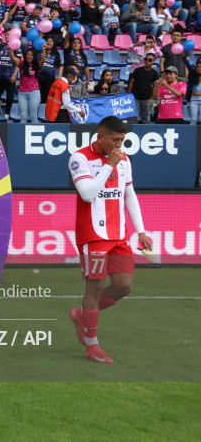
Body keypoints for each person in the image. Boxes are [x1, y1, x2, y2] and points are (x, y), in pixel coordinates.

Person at [68, 116, 152, 364]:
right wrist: (108, 166)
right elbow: (87, 194)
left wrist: (141, 231)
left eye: (123, 140)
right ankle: (92, 346)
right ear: (100, 136)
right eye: (115, 140)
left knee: (124, 286)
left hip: (119, 235)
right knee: (93, 288)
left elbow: (129, 194)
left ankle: (82, 315)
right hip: (93, 235)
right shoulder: (80, 158)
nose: (119, 146)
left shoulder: (123, 159)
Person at [128, 50, 160, 123]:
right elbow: (131, 82)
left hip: (147, 99)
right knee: (133, 118)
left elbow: (155, 86)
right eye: (146, 59)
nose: (147, 61)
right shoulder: (137, 70)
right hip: (135, 98)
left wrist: (152, 98)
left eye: (150, 60)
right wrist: (129, 95)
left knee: (146, 119)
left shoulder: (154, 73)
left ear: (153, 61)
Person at [187, 60, 201, 124]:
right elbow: (188, 66)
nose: (199, 68)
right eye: (197, 67)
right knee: (193, 119)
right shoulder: (193, 76)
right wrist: (183, 57)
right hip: (194, 99)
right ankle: (191, 133)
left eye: (200, 67)